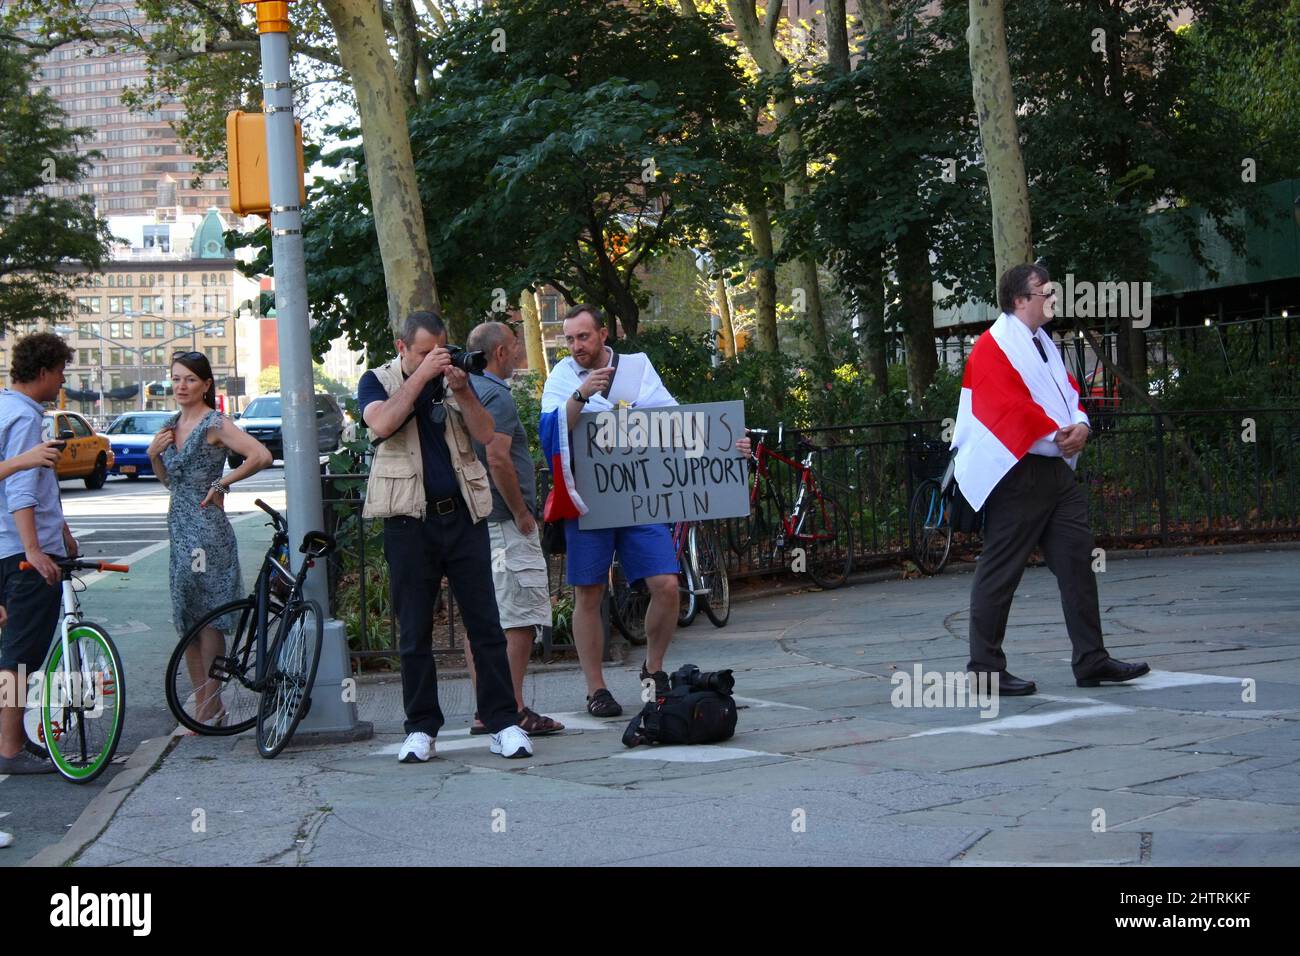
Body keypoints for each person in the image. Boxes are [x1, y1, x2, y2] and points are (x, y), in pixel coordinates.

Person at [950, 263, 1149, 695]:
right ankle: (985, 668)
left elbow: (1068, 392)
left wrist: (1081, 424)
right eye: (1046, 292)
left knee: (1078, 560)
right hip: (1015, 471)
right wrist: (1061, 434)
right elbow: (1005, 407)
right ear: (1020, 300)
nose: (1054, 298)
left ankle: (1091, 659)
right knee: (1001, 570)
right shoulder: (993, 345)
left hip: (1052, 470)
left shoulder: (1042, 341)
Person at [539, 305, 749, 716]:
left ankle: (653, 671)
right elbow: (550, 431)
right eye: (569, 338)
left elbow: (675, 423)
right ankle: (596, 689)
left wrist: (728, 444)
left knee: (667, 585)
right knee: (589, 593)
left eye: (583, 337)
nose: (575, 346)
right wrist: (582, 394)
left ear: (603, 334)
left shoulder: (636, 368)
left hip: (638, 498)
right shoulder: (563, 376)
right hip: (590, 501)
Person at [359, 311, 532, 762]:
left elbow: (486, 433)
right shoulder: (376, 381)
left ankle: (503, 723)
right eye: (423, 353)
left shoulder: (458, 377)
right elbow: (381, 424)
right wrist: (421, 378)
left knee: (486, 626)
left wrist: (459, 387)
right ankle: (421, 728)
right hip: (407, 521)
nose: (435, 359)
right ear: (402, 348)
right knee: (414, 631)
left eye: (440, 350)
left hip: (464, 515)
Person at [148, 351, 272, 725]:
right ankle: (205, 704)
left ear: (205, 384)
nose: (181, 386)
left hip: (208, 529)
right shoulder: (171, 425)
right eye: (175, 378)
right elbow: (171, 482)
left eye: (189, 379)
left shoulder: (214, 423)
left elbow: (260, 455)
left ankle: (210, 706)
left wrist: (223, 483)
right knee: (188, 618)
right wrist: (155, 455)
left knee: (211, 617)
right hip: (179, 526)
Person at [462, 321, 564, 736]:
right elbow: (499, 458)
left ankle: (489, 707)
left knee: (483, 619)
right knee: (518, 617)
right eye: (516, 346)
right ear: (500, 352)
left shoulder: (462, 390)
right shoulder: (496, 396)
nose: (521, 351)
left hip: (473, 521)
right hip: (504, 521)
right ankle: (513, 708)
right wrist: (522, 512)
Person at [0, 333, 81, 775]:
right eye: (62, 372)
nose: (63, 381)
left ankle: (9, 741)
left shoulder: (3, 407)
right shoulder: (26, 419)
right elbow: (21, 487)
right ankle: (10, 748)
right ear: (46, 371)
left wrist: (61, 526)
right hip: (22, 553)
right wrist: (36, 548)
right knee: (19, 658)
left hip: (5, 549)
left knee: (11, 652)